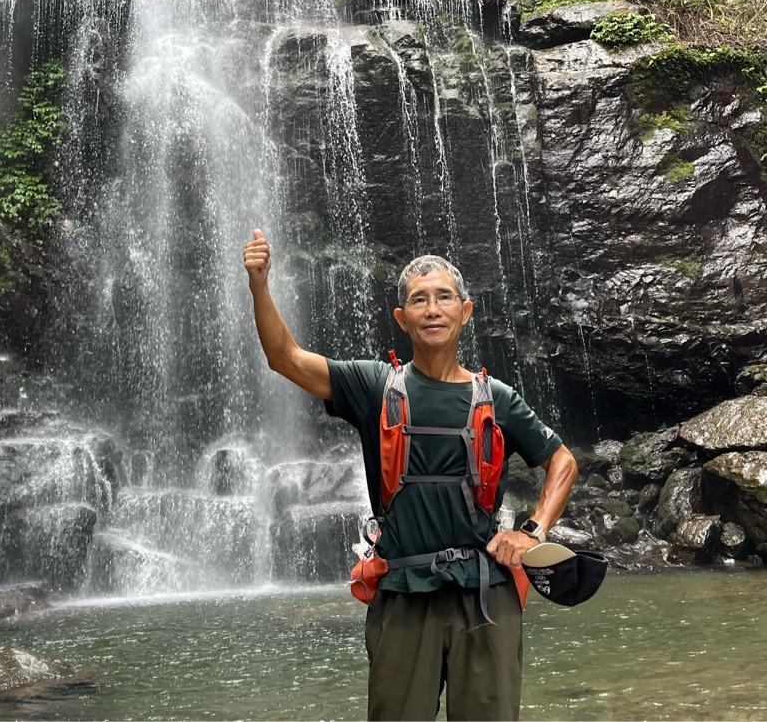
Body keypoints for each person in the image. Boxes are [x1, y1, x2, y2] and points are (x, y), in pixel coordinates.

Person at [243, 228, 579, 722]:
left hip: (484, 594)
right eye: (419, 300)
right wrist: (259, 285)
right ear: (402, 318)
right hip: (402, 593)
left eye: (444, 297)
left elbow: (563, 461)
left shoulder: (498, 398)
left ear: (466, 312)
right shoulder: (374, 385)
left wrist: (533, 532)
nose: (433, 309)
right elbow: (286, 359)